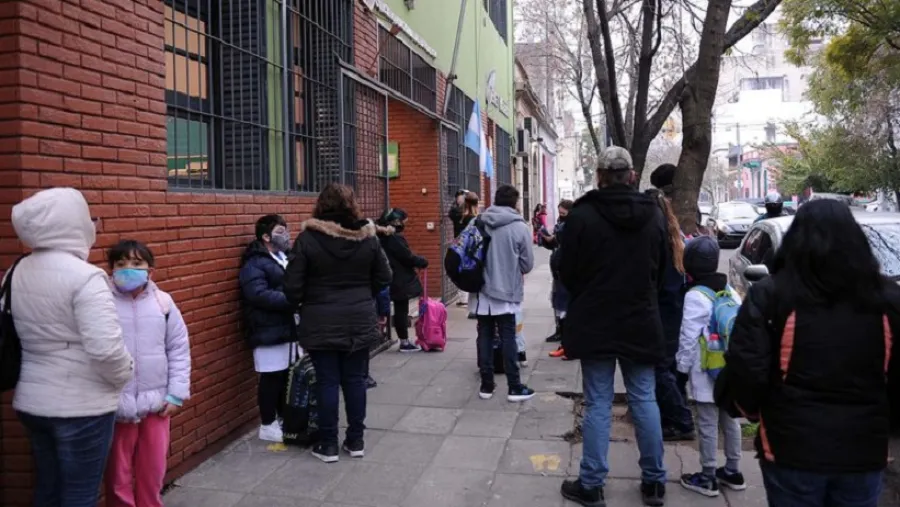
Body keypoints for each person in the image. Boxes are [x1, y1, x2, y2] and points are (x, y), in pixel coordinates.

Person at [718, 199, 900, 507]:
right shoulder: (887, 299)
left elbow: (748, 366)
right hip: (862, 447)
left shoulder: (772, 294)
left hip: (791, 446)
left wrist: (751, 411)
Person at [9, 187, 134, 507]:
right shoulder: (87, 277)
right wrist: (124, 375)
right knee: (80, 494)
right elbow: (106, 350)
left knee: (48, 490)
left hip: (32, 401)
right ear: (72, 223)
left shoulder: (15, 271)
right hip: (82, 407)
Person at [558, 147, 668, 507]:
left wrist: (588, 294)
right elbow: (662, 269)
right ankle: (654, 482)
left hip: (596, 320)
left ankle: (592, 484)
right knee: (644, 397)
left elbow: (567, 271)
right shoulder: (653, 214)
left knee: (598, 402)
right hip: (640, 318)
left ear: (600, 176)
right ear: (631, 175)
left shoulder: (582, 215)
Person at [284, 183, 392, 463]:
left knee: (327, 382)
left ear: (321, 205)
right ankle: (356, 441)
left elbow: (292, 286)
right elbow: (385, 276)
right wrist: (363, 294)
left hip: (320, 320)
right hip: (359, 319)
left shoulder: (308, 239)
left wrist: (306, 301)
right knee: (355, 380)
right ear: (352, 205)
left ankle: (328, 444)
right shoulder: (367, 237)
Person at [105, 240, 191, 507]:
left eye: (136, 263)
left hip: (157, 405)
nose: (128, 269)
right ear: (111, 270)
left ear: (150, 270)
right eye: (121, 264)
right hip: (116, 405)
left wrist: (176, 394)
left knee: (152, 471)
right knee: (116, 474)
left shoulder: (163, 303)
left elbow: (178, 349)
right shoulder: (101, 303)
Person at [675, 236, 745, 497]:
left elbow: (688, 337)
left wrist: (681, 370)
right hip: (730, 370)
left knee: (707, 423)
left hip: (706, 370)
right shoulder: (729, 291)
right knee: (731, 420)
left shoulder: (695, 295)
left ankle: (707, 476)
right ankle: (733, 471)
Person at [239, 214, 299, 443]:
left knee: (285, 376)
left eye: (286, 230)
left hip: (287, 328)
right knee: (271, 377)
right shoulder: (254, 263)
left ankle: (282, 418)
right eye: (280, 231)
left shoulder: (285, 257)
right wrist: (292, 300)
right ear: (265, 237)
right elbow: (257, 294)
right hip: (267, 329)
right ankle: (267, 423)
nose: (286, 235)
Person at [474, 185, 536, 403]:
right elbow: (527, 264)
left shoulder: (479, 221)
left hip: (482, 290)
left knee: (484, 335)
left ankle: (486, 385)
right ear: (515, 202)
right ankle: (514, 387)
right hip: (507, 290)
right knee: (508, 337)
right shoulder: (519, 227)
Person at [647, 164, 695, 442]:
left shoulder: (660, 241)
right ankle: (673, 417)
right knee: (668, 367)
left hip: (664, 312)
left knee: (660, 368)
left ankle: (682, 420)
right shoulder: (674, 238)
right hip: (674, 309)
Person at [377, 208, 429, 353]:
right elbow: (406, 257)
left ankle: (389, 335)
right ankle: (404, 341)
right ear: (396, 222)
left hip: (385, 276)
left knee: (388, 307)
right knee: (401, 308)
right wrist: (422, 261)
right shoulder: (394, 238)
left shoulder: (379, 236)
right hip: (398, 277)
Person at [542, 200, 573, 355]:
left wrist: (553, 238)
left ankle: (567, 343)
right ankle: (561, 335)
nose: (560, 216)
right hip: (558, 270)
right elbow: (554, 244)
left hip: (566, 271)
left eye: (563, 213)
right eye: (559, 213)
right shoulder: (561, 224)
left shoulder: (570, 227)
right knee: (558, 303)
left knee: (564, 305)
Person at [452, 191, 480, 308]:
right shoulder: (475, 219)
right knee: (472, 271)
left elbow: (451, 212)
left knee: (462, 270)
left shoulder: (459, 216)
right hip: (473, 249)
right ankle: (468, 299)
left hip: (460, 247)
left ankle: (462, 298)